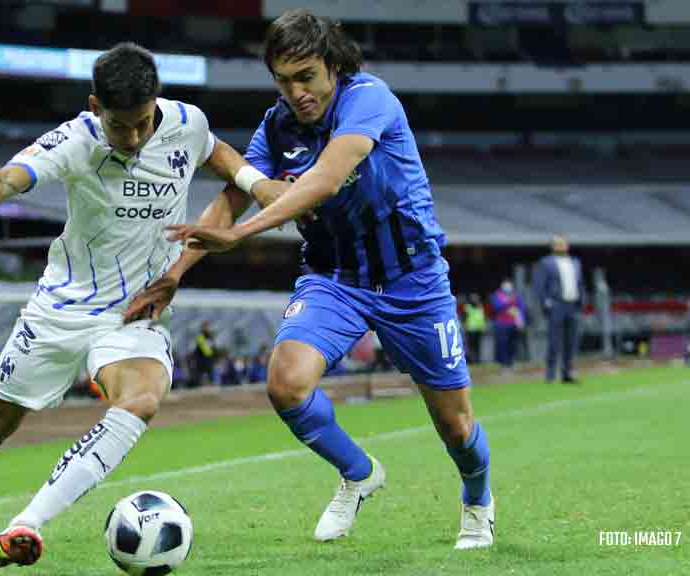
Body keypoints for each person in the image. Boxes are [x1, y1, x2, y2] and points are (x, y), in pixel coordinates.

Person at [0, 42, 276, 569]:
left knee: (141, 399)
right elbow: (4, 180)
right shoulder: (74, 141)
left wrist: (259, 184)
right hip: (62, 308)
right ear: (96, 107)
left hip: (136, 309)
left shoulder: (185, 122)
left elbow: (220, 155)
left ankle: (25, 523)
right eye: (123, 127)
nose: (137, 137)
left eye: (144, 123)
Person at [150, 10, 495, 549]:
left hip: (412, 280)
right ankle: (359, 474)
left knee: (456, 427)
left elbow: (328, 178)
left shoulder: (369, 99)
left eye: (306, 76)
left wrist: (244, 236)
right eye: (283, 80)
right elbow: (234, 196)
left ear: (333, 66)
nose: (296, 92)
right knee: (286, 383)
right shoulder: (277, 124)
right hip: (336, 277)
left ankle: (478, 501)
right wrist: (175, 274)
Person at [532, 235, 585, 383]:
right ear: (553, 246)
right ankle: (550, 374)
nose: (562, 246)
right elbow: (540, 285)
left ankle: (567, 373)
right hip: (557, 305)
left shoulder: (575, 262)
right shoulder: (546, 262)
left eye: (564, 244)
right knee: (554, 341)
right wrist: (546, 303)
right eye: (559, 244)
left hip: (572, 305)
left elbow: (580, 284)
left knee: (571, 341)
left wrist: (582, 301)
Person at [491, 279, 525, 371]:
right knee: (502, 345)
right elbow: (496, 307)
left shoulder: (515, 295)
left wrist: (521, 321)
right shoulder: (497, 295)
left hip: (513, 324)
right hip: (501, 324)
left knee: (512, 345)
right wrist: (507, 302)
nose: (507, 286)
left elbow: (521, 308)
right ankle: (504, 365)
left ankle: (511, 363)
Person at [463, 294, 486, 364]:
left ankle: (477, 360)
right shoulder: (467, 307)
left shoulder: (480, 307)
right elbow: (464, 318)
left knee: (477, 346)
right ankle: (471, 360)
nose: (475, 300)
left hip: (478, 329)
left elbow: (482, 318)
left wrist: (483, 327)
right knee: (470, 346)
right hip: (470, 330)